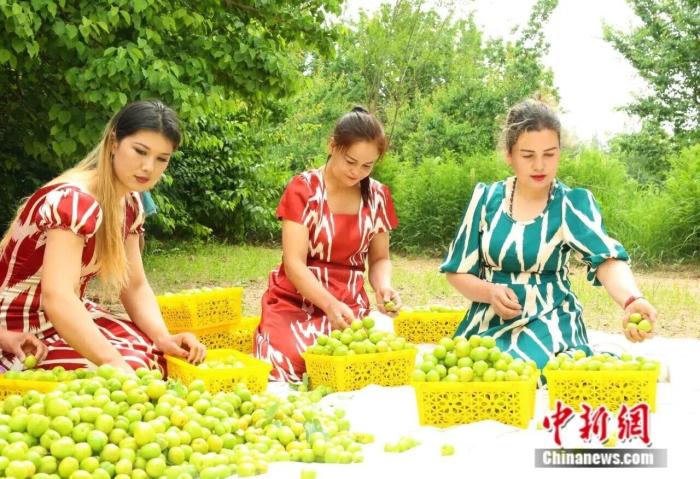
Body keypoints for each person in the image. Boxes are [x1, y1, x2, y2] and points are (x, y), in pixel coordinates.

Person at [440, 99, 657, 370]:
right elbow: (457, 271)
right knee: (469, 370)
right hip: (490, 320)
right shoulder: (486, 199)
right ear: (509, 155)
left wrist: (632, 299)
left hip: (549, 319)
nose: (540, 165)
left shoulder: (569, 204)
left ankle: (598, 358)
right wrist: (489, 291)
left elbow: (606, 259)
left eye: (550, 154)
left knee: (525, 370)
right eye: (528, 155)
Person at [0, 100, 206, 374]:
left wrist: (163, 338)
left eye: (162, 159)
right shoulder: (74, 201)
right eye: (140, 151)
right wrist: (114, 362)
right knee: (128, 368)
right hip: (18, 327)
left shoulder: (130, 203)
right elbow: (57, 296)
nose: (148, 167)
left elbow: (134, 285)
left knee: (156, 355)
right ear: (113, 143)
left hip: (69, 315)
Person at [255, 107, 401, 382]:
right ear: (332, 146)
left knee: (361, 360)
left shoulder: (378, 196)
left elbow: (380, 258)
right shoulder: (304, 189)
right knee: (294, 361)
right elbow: (294, 264)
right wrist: (329, 304)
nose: (357, 172)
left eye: (367, 166)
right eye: (351, 161)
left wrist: (383, 287)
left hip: (349, 304)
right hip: (296, 301)